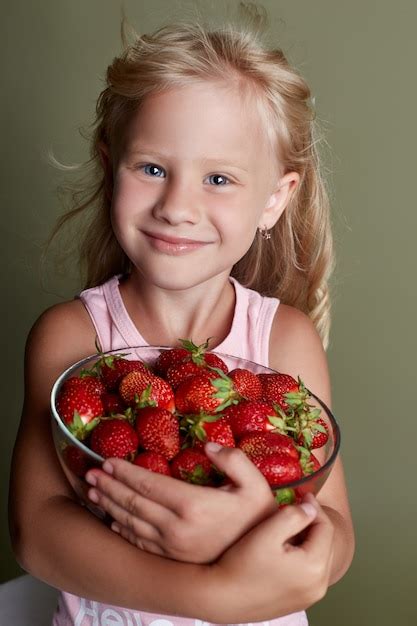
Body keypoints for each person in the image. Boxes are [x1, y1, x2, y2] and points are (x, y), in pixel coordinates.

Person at [9, 8, 354, 626]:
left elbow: (336, 534)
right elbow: (37, 532)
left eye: (218, 178)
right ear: (110, 164)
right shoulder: (71, 335)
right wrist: (214, 594)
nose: (177, 207)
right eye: (152, 169)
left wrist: (275, 539)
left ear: (274, 199)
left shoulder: (285, 340)